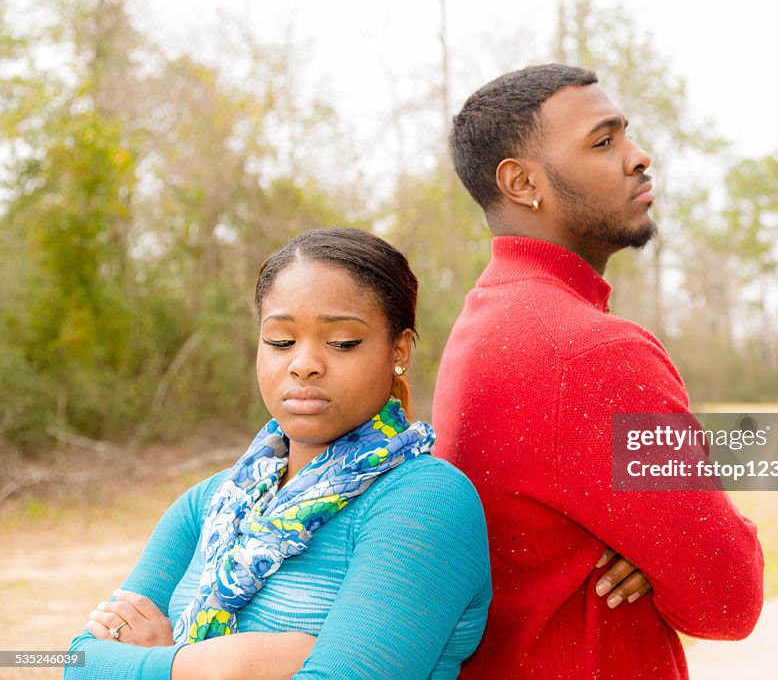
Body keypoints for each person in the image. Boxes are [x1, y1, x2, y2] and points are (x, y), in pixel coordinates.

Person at [433, 63, 765, 679]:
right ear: (522, 182)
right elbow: (728, 596)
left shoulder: (489, 317)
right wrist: (682, 541)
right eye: (603, 141)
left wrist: (666, 545)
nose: (639, 158)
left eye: (627, 136)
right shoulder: (591, 353)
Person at [66, 228, 491, 680]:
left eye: (342, 342)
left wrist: (153, 659)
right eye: (281, 341)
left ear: (398, 351)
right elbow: (76, 662)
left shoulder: (425, 502)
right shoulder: (209, 504)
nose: (303, 363)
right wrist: (221, 665)